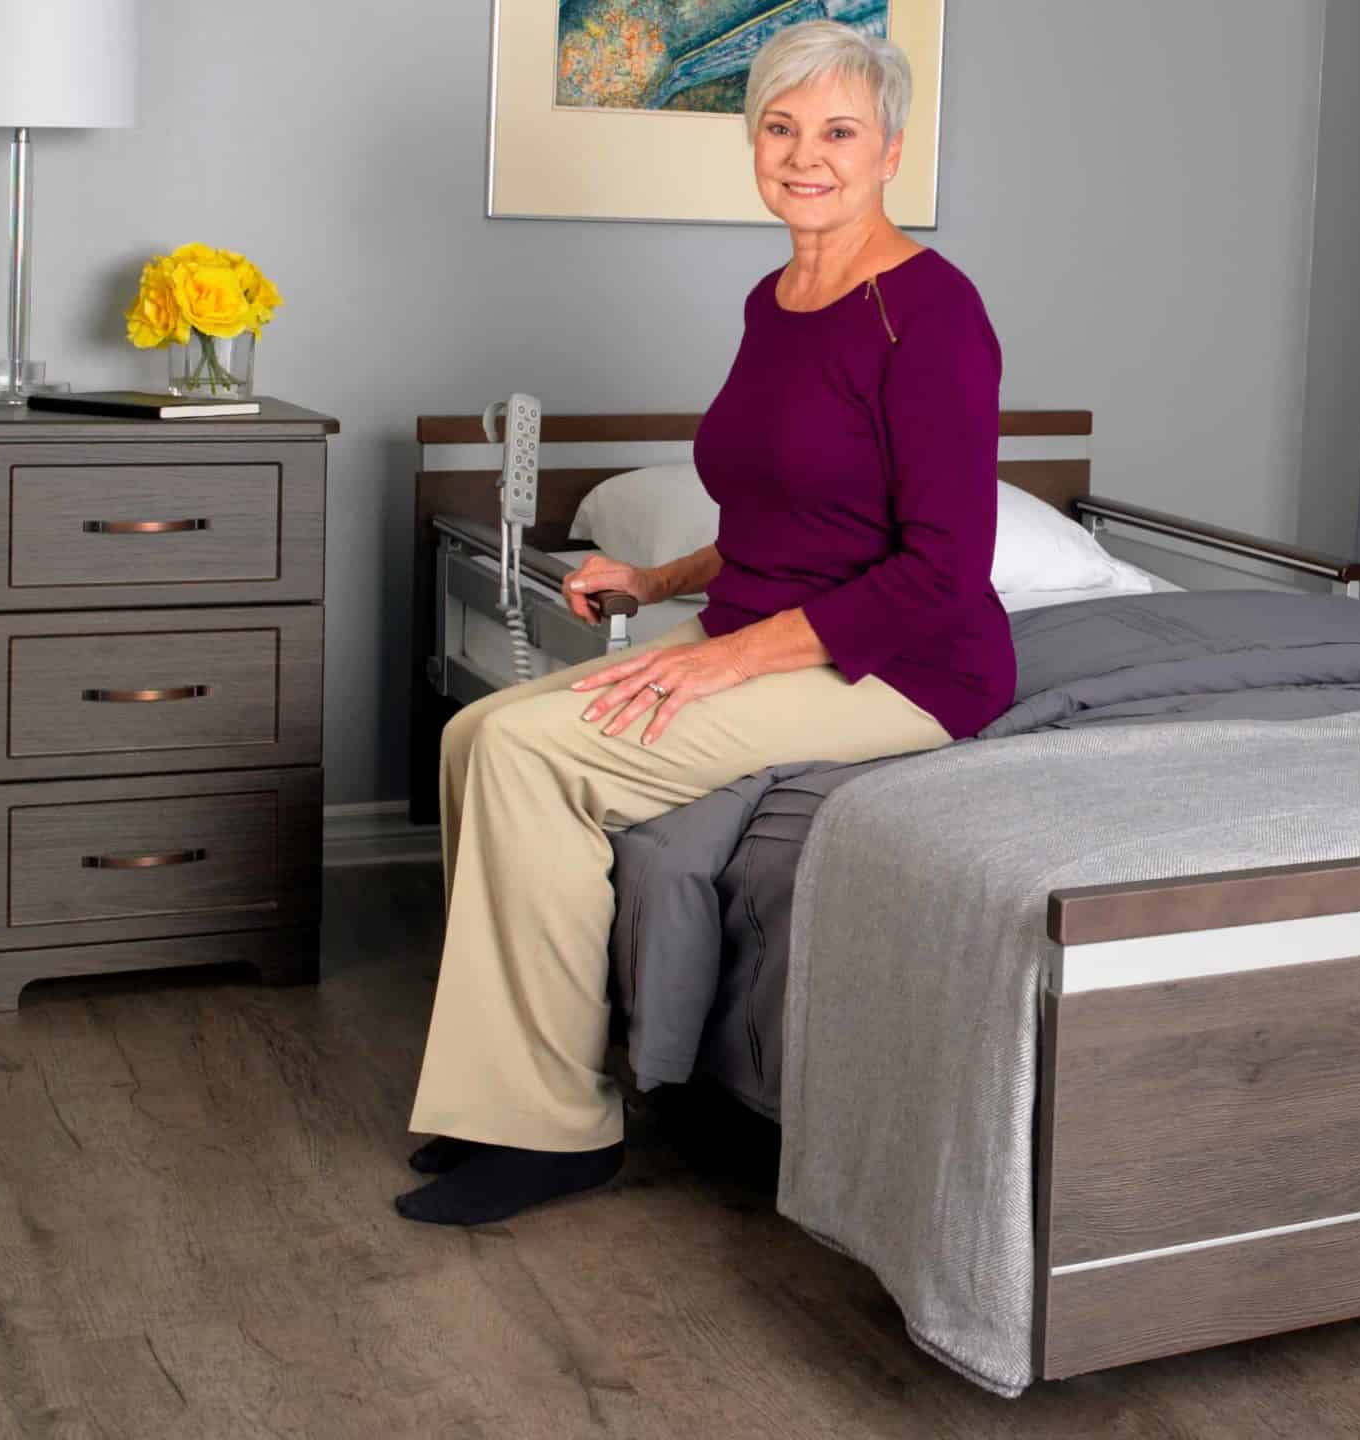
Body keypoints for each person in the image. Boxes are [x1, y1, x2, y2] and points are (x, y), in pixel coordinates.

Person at [395, 19, 1009, 1226]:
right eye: (780, 128)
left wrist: (724, 656)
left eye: (837, 131)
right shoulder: (776, 298)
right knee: (474, 739)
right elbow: (787, 511)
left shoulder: (931, 316)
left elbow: (941, 566)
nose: (804, 155)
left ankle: (557, 1131)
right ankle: (500, 1095)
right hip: (765, 626)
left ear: (890, 149)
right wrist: (656, 578)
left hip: (902, 668)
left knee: (529, 752)